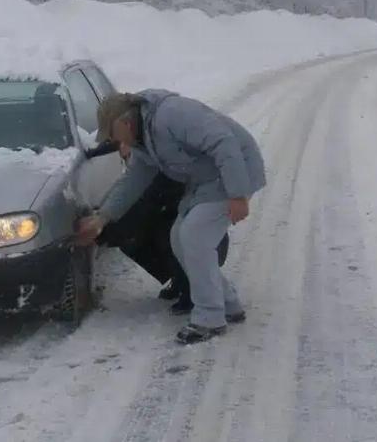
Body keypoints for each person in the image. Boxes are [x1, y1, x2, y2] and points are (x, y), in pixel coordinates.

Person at [76, 90, 266, 344]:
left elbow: (223, 142)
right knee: (179, 238)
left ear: (125, 122)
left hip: (235, 170)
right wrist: (103, 217)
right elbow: (133, 180)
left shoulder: (172, 115)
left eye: (111, 133)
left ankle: (209, 317)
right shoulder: (144, 141)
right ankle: (227, 302)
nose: (111, 140)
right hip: (206, 181)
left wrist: (238, 194)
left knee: (195, 236)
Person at [84, 139, 229, 313]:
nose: (121, 150)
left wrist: (100, 231)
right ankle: (179, 280)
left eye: (123, 143)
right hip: (171, 212)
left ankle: (192, 291)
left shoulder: (155, 167)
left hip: (196, 229)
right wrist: (89, 152)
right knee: (147, 233)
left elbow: (136, 206)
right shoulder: (141, 144)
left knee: (162, 236)